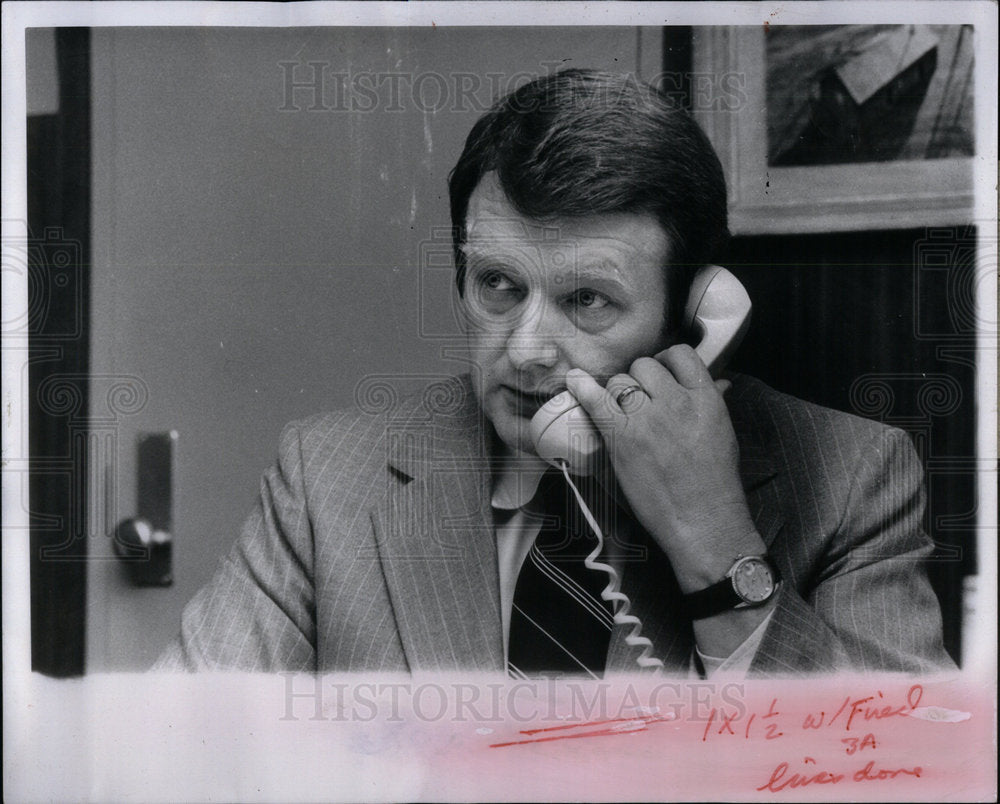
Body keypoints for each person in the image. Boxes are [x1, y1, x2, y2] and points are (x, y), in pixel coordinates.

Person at [155, 69, 954, 677]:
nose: (529, 346)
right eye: (499, 285)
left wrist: (716, 547)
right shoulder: (329, 479)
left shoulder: (853, 481)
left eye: (588, 300)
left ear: (694, 314)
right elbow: (171, 750)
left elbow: (901, 770)